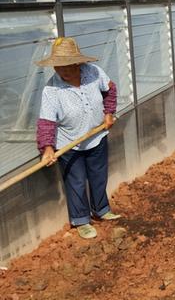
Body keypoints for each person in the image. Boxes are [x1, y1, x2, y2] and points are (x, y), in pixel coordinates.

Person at [36, 37, 121, 239]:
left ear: (78, 63)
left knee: (98, 175)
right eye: (58, 66)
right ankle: (81, 220)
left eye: (67, 66)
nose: (62, 70)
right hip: (69, 144)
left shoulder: (94, 73)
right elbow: (46, 122)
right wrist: (47, 148)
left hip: (96, 136)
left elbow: (110, 89)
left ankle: (101, 209)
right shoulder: (51, 90)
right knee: (76, 182)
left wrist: (109, 113)